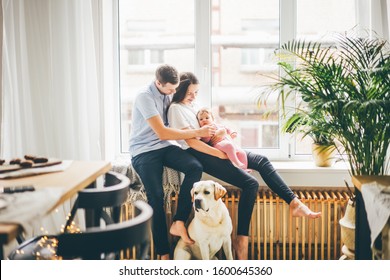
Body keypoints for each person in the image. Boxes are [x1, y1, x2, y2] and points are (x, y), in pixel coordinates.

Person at [168, 71, 322, 260]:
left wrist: (223, 133)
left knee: (262, 161)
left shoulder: (193, 106)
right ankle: (241, 241)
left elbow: (210, 125)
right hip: (199, 153)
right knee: (251, 184)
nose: (193, 97)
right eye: (190, 93)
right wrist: (221, 154)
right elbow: (191, 142)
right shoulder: (176, 108)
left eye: (196, 93)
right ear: (181, 89)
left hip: (212, 146)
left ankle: (295, 203)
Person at [129, 64, 216, 260]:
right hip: (144, 151)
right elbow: (162, 132)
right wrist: (197, 132)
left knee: (195, 167)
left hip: (164, 147)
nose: (174, 92)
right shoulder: (145, 96)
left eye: (176, 88)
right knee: (156, 197)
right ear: (158, 83)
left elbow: (188, 110)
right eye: (170, 89)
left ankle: (179, 222)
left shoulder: (171, 92)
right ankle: (163, 253)